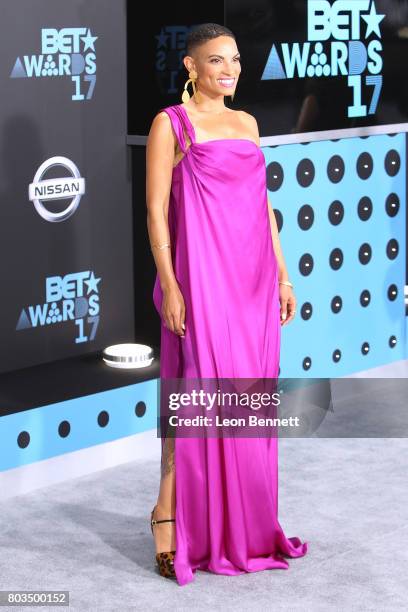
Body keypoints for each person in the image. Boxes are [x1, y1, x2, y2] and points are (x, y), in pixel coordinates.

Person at [145, 22, 308, 586]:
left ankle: (238, 527)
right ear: (191, 67)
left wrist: (283, 277)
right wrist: (169, 283)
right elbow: (156, 212)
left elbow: (262, 207)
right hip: (201, 279)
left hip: (253, 280)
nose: (230, 69)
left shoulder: (248, 124)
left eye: (235, 59)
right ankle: (167, 513)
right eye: (216, 60)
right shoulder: (172, 124)